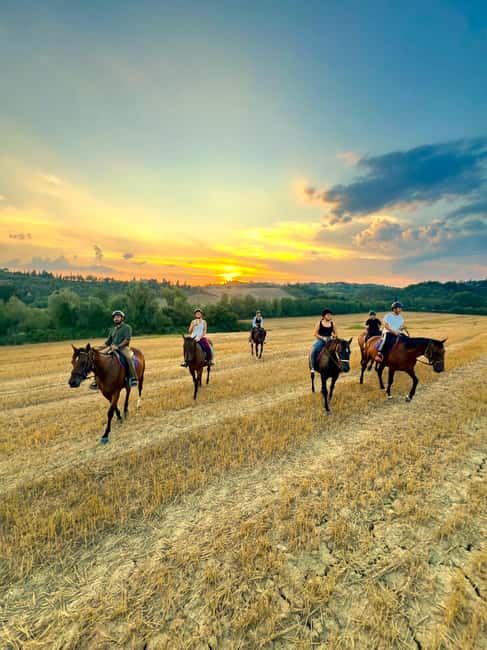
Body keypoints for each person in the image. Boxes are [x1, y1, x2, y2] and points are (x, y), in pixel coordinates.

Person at [90, 310, 138, 390]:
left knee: (128, 358)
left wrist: (118, 347)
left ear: (122, 318)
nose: (116, 318)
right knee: (98, 359)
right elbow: (108, 342)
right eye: (115, 317)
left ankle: (133, 378)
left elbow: (127, 340)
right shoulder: (112, 329)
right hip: (111, 348)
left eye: (118, 317)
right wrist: (98, 348)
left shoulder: (127, 327)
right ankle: (97, 381)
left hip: (123, 348)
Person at [310, 309, 337, 374]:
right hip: (321, 340)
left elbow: (336, 334)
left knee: (340, 350)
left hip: (330, 340)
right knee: (313, 350)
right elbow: (315, 334)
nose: (330, 316)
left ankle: (339, 366)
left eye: (330, 315)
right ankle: (312, 367)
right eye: (328, 315)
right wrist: (322, 338)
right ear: (324, 316)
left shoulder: (332, 323)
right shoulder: (319, 323)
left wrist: (333, 336)